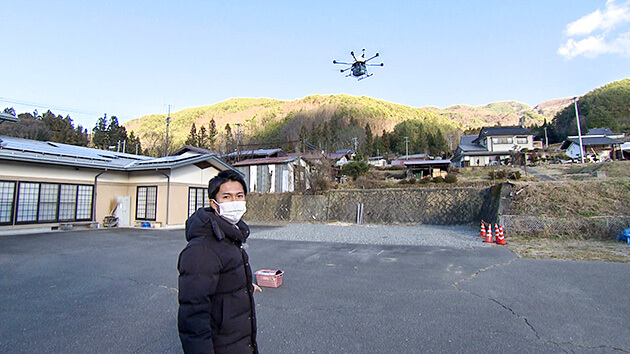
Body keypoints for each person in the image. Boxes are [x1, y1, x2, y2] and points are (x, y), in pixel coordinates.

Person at [177, 170, 261, 353]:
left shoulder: (231, 235)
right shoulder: (202, 249)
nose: (235, 202)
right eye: (227, 197)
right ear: (214, 204)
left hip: (240, 343)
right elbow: (193, 315)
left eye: (239, 196)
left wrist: (246, 286)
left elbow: (225, 280)